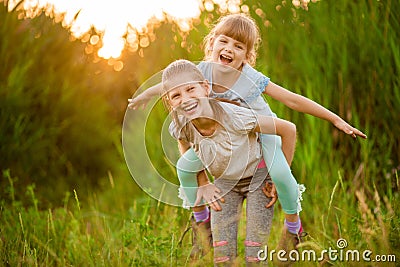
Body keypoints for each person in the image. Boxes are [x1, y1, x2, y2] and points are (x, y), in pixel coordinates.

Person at [128, 13, 367, 252]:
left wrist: (335, 119)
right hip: (226, 137)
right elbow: (171, 85)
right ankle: (201, 223)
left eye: (238, 46)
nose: (229, 49)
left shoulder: (251, 78)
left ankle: (294, 228)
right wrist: (145, 95)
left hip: (261, 132)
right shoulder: (202, 72)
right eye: (224, 41)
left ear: (247, 55)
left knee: (282, 174)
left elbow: (292, 100)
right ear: (212, 43)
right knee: (184, 168)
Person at [162, 59, 297, 265]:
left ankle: (295, 231)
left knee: (254, 256)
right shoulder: (180, 124)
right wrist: (204, 182)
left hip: (257, 181)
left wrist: (280, 177)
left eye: (191, 89)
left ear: (205, 88)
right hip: (224, 185)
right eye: (176, 96)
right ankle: (201, 224)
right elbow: (186, 146)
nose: (185, 99)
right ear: (169, 102)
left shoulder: (234, 117)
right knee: (223, 257)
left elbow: (288, 129)